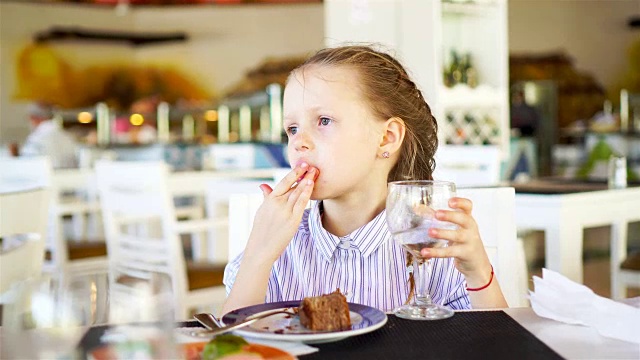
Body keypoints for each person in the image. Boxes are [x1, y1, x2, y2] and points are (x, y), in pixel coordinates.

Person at [222, 45, 507, 314]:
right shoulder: (277, 248)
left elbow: (495, 346)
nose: (299, 143)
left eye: (323, 121)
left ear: (387, 137)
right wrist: (258, 256)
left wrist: (478, 271)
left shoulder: (431, 243)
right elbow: (229, 350)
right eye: (292, 128)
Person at [19, 102, 79, 168]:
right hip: (70, 176)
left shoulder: (37, 138)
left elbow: (28, 162)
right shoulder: (68, 136)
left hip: (46, 176)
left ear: (34, 118)